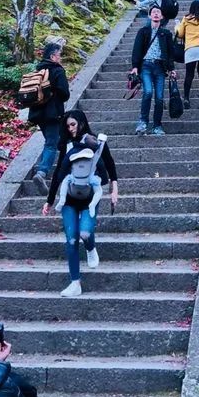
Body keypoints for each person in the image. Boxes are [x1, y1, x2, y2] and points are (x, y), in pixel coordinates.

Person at [44, 110, 119, 297]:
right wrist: (50, 200)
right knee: (71, 239)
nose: (70, 129)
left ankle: (91, 247)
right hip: (69, 198)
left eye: (73, 124)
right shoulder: (67, 145)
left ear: (81, 123)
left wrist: (114, 190)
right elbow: (59, 174)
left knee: (85, 233)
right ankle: (75, 283)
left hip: (90, 197)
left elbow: (110, 164)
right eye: (67, 126)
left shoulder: (96, 143)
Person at [28, 41, 71, 194]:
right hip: (53, 114)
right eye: (59, 55)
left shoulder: (38, 69)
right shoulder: (57, 71)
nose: (60, 58)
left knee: (57, 141)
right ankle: (42, 172)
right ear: (53, 56)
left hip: (38, 114)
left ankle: (66, 168)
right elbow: (65, 94)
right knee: (51, 144)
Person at [131, 3, 176, 136]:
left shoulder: (166, 33)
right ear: (150, 16)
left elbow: (170, 52)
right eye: (153, 12)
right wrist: (135, 67)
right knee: (148, 92)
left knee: (160, 97)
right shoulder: (143, 32)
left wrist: (171, 68)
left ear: (162, 16)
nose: (156, 14)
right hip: (146, 66)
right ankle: (143, 121)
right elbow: (137, 50)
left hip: (160, 67)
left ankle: (157, 125)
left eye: (158, 12)